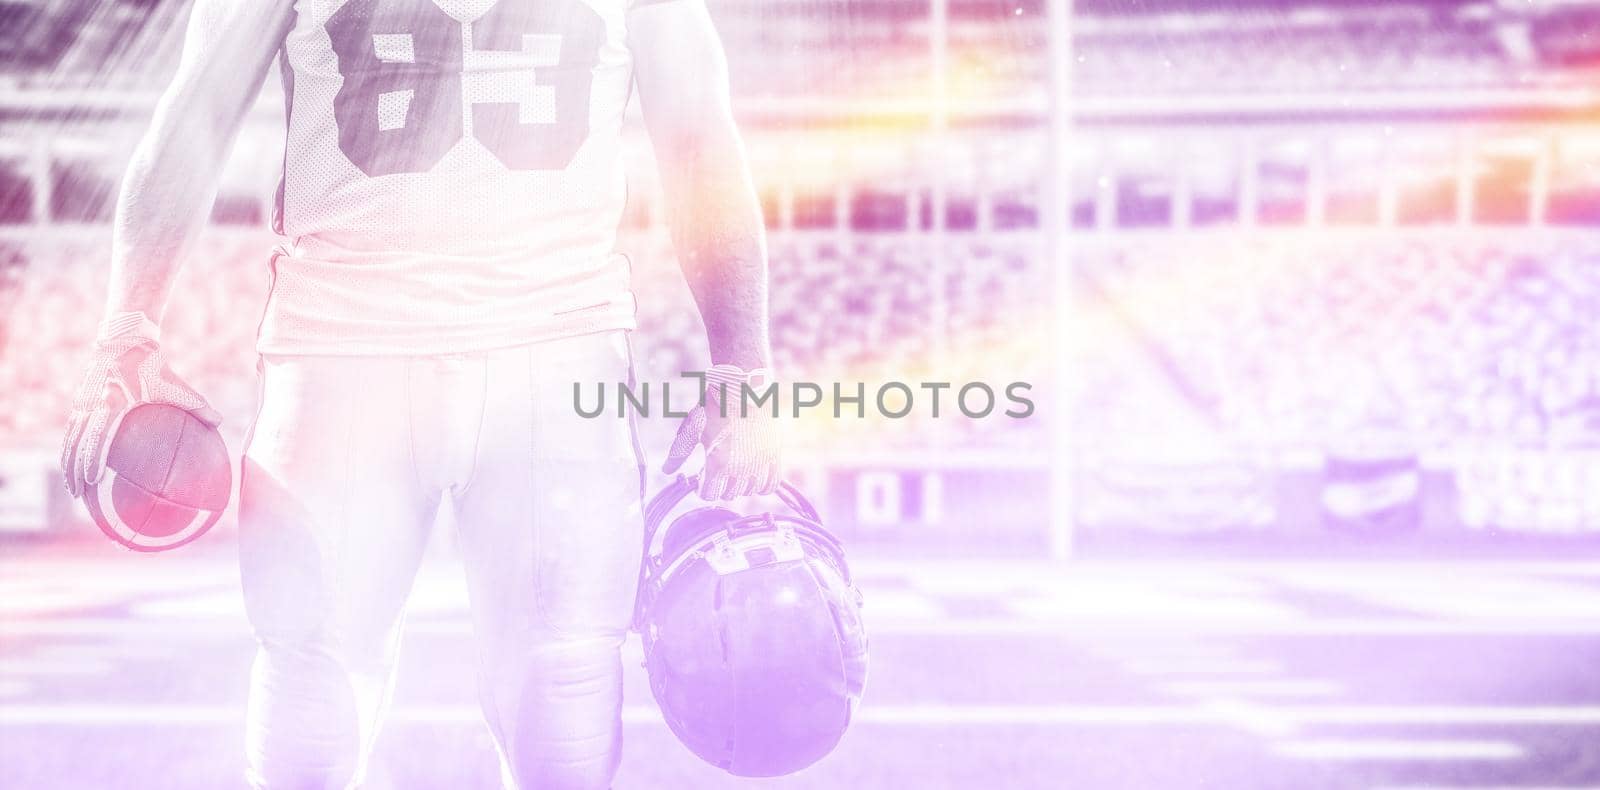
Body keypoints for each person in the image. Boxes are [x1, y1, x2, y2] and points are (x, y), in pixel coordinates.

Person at [58, 0, 780, 787]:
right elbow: (198, 110)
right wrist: (127, 324)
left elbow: (698, 139)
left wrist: (742, 363)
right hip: (356, 348)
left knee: (559, 691)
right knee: (320, 685)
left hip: (534, 350)